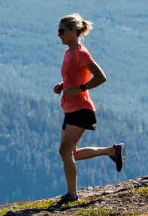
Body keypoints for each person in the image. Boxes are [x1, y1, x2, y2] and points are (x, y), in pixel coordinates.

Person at [53, 14, 124, 205]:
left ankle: (72, 194)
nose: (58, 35)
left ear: (73, 31)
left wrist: (81, 88)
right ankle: (112, 151)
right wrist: (63, 85)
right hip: (69, 108)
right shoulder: (68, 53)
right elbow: (74, 76)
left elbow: (101, 76)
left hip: (81, 109)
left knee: (64, 151)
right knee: (71, 154)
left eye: (61, 31)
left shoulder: (81, 53)